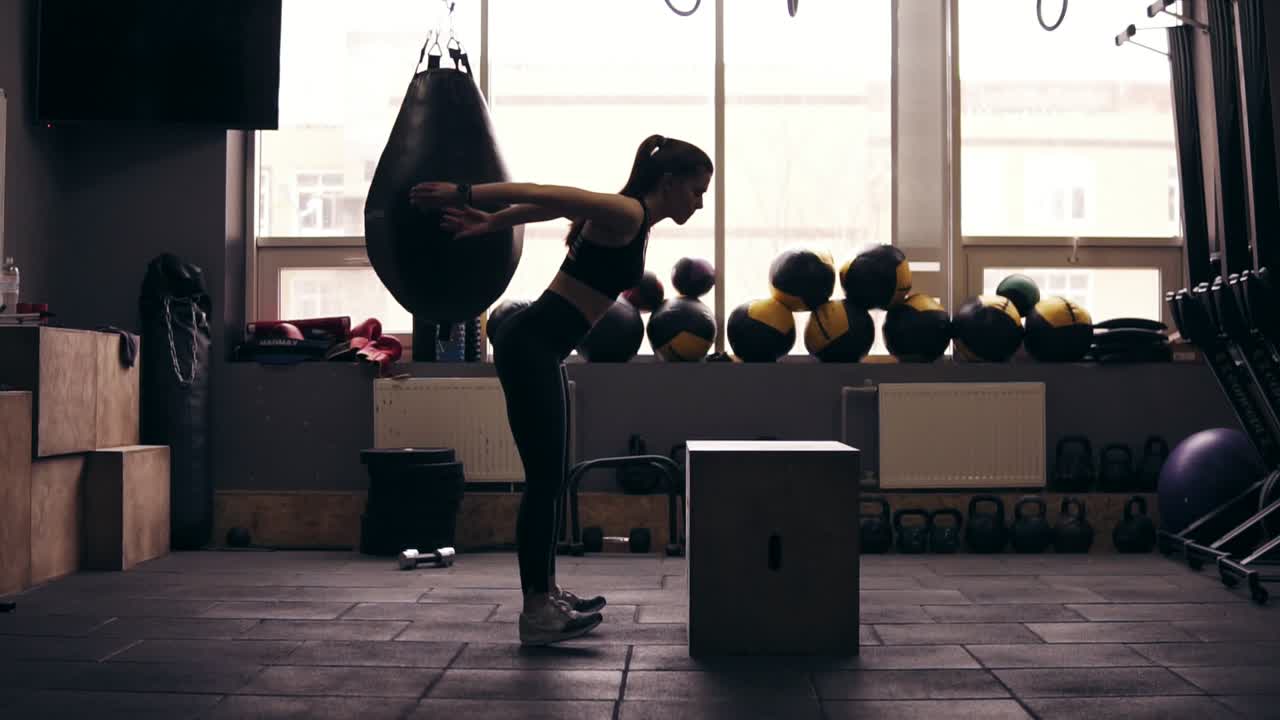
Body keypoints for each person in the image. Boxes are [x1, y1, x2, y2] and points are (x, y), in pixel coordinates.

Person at [409, 134, 713, 645]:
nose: (700, 203)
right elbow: (546, 193)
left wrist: (492, 223)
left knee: (551, 478)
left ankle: (546, 593)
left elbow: (550, 208)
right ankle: (536, 612)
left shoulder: (629, 219)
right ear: (669, 182)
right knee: (545, 481)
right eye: (697, 190)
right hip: (529, 347)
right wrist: (465, 194)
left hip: (540, 349)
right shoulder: (628, 213)